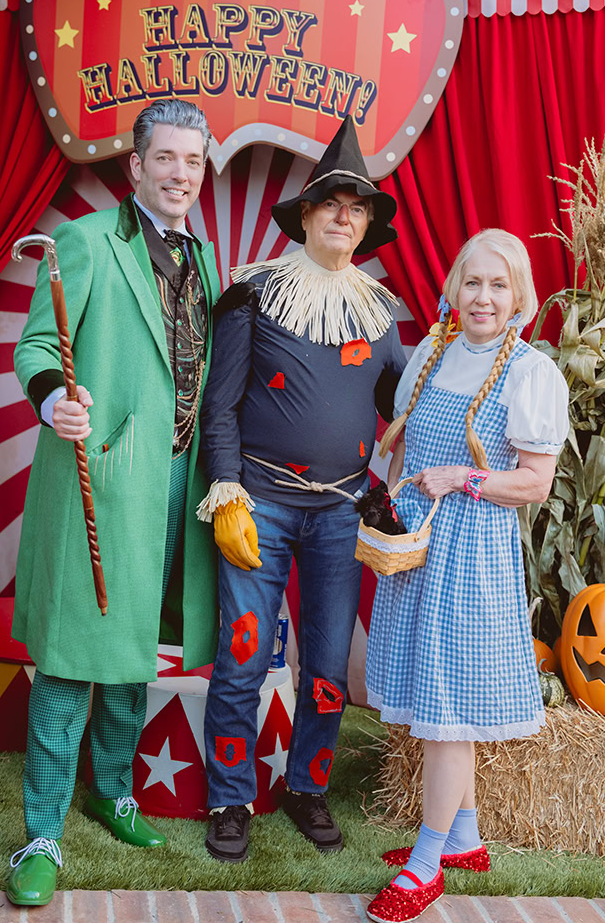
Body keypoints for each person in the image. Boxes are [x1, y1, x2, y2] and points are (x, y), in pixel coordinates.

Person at [7, 100, 220, 907]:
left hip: (175, 479)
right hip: (101, 473)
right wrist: (55, 395)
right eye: (165, 159)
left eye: (192, 162)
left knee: (133, 649)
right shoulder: (87, 240)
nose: (178, 174)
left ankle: (112, 790)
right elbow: (36, 344)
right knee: (72, 658)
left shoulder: (203, 259)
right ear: (136, 167)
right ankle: (41, 833)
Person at [197, 116, 407, 862]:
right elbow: (218, 404)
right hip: (260, 501)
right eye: (332, 202)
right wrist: (225, 490)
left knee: (325, 666)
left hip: (338, 516)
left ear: (366, 225)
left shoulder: (381, 316)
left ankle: (306, 786)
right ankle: (230, 796)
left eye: (358, 206)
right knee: (244, 657)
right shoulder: (253, 295)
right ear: (309, 214)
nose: (344, 215)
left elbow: (404, 412)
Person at [364, 229, 569, 923]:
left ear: (520, 298)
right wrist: (394, 502)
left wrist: (464, 478)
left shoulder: (530, 372)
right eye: (472, 283)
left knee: (447, 708)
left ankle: (425, 866)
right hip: (420, 545)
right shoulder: (431, 352)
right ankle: (464, 837)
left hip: (473, 551)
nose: (483, 298)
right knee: (435, 687)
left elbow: (536, 484)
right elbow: (408, 447)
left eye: (499, 285)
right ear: (453, 287)